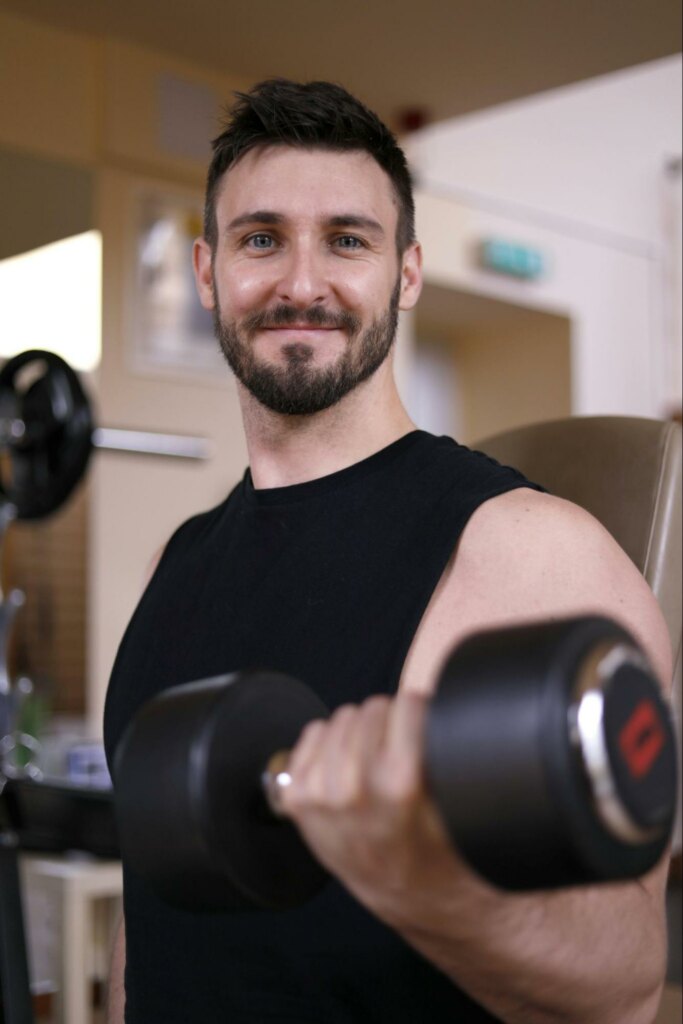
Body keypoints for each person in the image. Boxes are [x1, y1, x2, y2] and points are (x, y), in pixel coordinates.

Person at [103, 79, 673, 1024]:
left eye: (347, 239)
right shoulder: (183, 556)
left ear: (406, 273)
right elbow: (152, 909)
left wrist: (420, 881)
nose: (299, 282)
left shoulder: (531, 552)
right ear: (206, 273)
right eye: (260, 239)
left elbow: (621, 987)